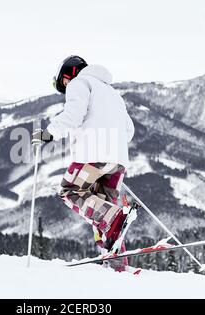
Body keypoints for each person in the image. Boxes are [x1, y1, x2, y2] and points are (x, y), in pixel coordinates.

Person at [32, 55, 136, 272]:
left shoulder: (79, 82)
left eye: (63, 83)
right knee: (103, 206)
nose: (65, 87)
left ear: (68, 73)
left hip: (92, 154)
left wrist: (48, 134)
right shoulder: (113, 93)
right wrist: (111, 145)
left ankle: (116, 218)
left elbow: (73, 116)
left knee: (70, 191)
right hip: (117, 160)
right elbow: (129, 131)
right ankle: (117, 265)